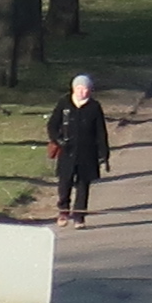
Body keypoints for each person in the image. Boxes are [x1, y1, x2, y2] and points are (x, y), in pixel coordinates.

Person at [46, 73, 113, 221]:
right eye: (79, 89)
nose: (82, 92)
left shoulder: (94, 107)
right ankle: (63, 210)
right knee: (64, 183)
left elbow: (100, 132)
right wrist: (57, 140)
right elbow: (52, 125)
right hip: (67, 150)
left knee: (83, 184)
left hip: (87, 152)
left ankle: (79, 215)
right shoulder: (64, 103)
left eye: (86, 89)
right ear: (73, 89)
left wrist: (104, 154)